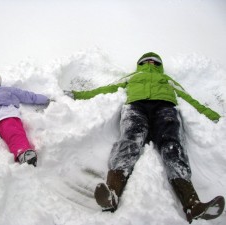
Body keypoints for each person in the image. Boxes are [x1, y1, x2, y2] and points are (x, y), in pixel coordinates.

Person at [64, 52, 225, 223]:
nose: (150, 62)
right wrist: (78, 95)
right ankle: (112, 192)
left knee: (172, 146)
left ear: (159, 65)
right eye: (147, 60)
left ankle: (193, 204)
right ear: (140, 64)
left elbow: (190, 99)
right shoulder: (133, 76)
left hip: (165, 108)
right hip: (136, 107)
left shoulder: (168, 79)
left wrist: (215, 117)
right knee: (130, 140)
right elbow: (106, 89)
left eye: (154, 61)